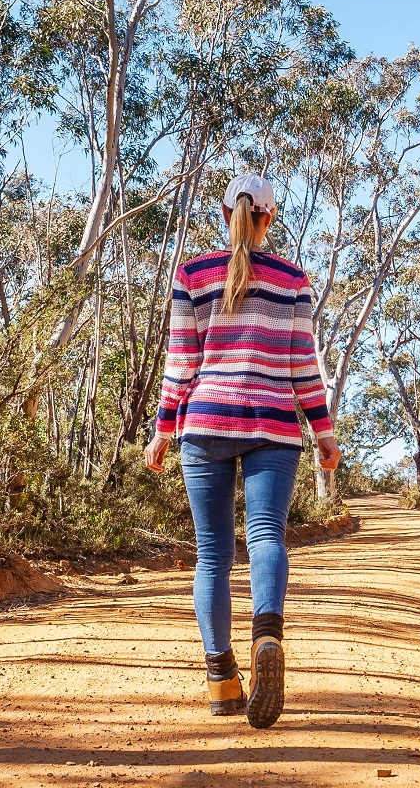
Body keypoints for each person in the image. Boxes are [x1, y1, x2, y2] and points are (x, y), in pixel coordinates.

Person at [144, 173, 342, 730]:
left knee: (212, 553)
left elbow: (181, 363)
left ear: (224, 211)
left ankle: (221, 680)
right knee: (265, 539)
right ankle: (267, 637)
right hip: (275, 426)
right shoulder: (293, 280)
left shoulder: (192, 275)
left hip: (205, 422)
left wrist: (163, 429)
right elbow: (304, 364)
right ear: (268, 219)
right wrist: (323, 431)